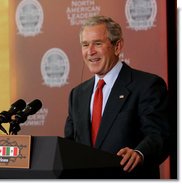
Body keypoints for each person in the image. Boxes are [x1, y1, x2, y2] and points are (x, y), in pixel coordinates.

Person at [64, 15, 170, 179]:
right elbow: (70, 146)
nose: (90, 51)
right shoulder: (77, 94)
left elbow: (159, 135)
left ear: (117, 46)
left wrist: (139, 153)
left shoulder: (147, 85)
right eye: (85, 45)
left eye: (97, 43)